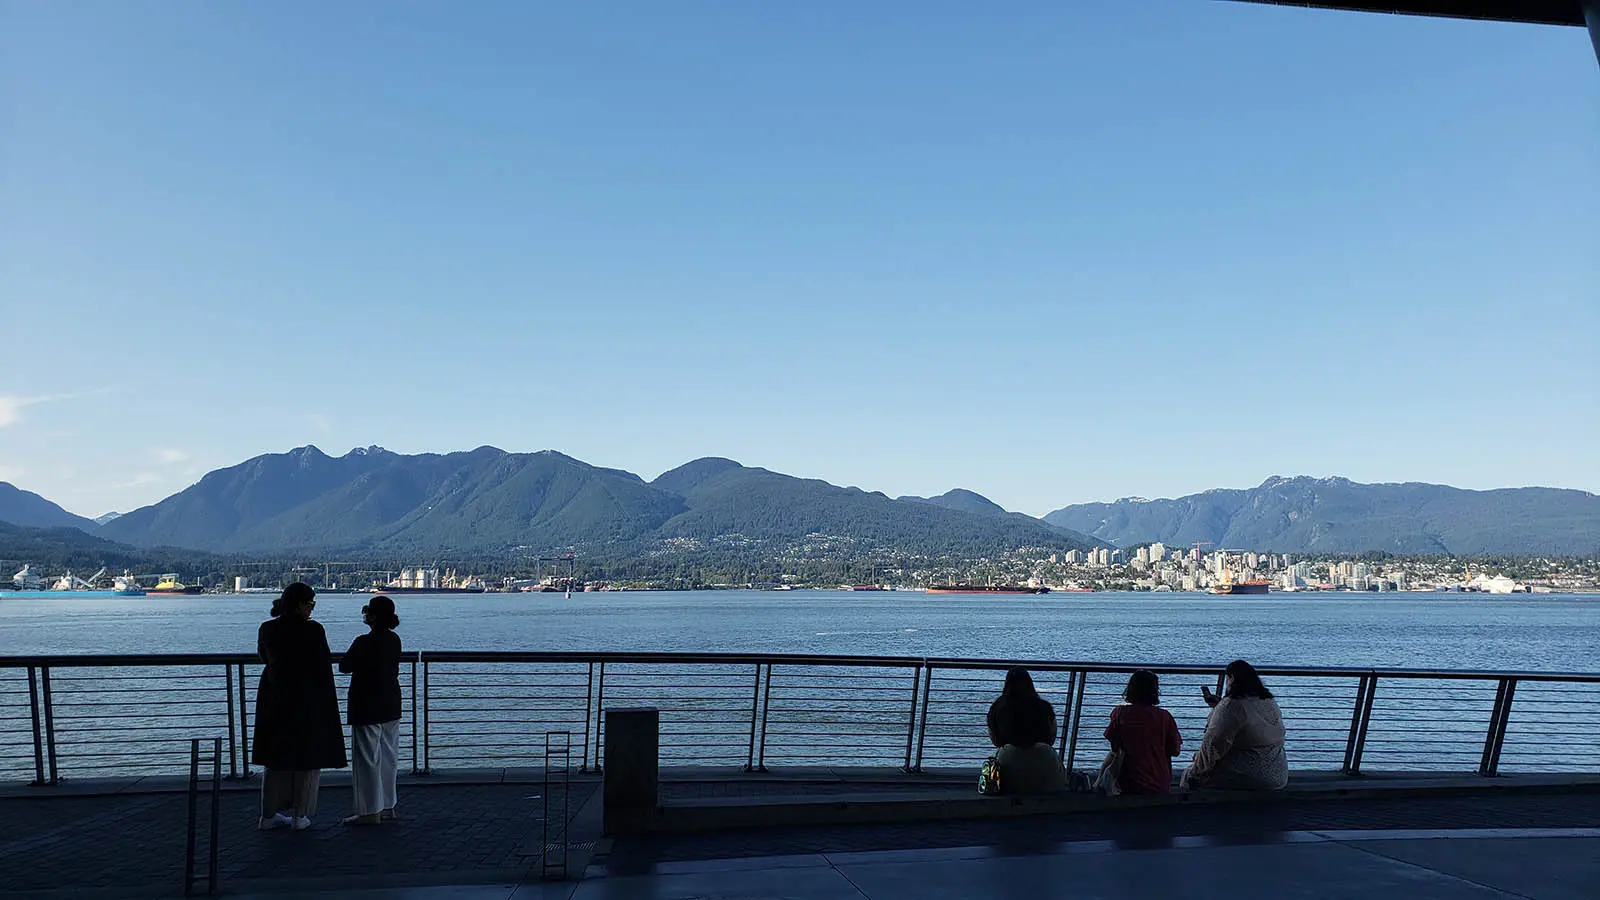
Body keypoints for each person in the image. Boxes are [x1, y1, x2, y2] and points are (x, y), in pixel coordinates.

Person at [253, 583, 348, 830]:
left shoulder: (268, 628)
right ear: (299, 604)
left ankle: (268, 814)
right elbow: (323, 661)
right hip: (307, 698)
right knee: (308, 758)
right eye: (310, 604)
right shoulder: (314, 630)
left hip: (274, 699)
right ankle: (300, 814)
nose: (312, 609)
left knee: (275, 758)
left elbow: (263, 657)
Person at [340, 594, 403, 826]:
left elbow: (345, 666)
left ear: (371, 616)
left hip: (366, 704)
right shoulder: (394, 640)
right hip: (391, 702)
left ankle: (369, 811)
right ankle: (388, 805)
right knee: (389, 757)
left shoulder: (363, 642)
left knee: (367, 758)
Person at [1181, 659, 1288, 791]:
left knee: (1187, 777)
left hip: (1251, 777)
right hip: (1278, 776)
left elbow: (1213, 745)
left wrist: (1194, 774)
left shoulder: (1231, 705)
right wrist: (1218, 707)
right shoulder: (1268, 701)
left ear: (1230, 678)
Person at [983, 667, 1066, 794]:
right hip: (1046, 763)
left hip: (1009, 763)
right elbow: (1052, 737)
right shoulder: (1044, 707)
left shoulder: (998, 707)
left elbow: (994, 739)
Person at [1102, 670, 1182, 794]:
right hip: (1160, 783)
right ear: (1155, 692)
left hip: (1129, 784)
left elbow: (1114, 746)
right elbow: (1175, 751)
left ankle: (1098, 786)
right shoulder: (1165, 717)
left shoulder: (1119, 714)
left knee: (1112, 755)